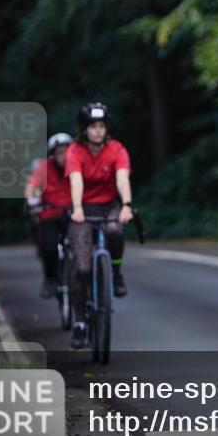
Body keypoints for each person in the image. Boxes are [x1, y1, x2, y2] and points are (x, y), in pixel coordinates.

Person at [65, 103, 134, 349]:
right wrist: (77, 207)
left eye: (101, 126)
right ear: (84, 130)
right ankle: (80, 322)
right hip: (82, 209)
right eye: (92, 127)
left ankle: (115, 273)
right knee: (82, 269)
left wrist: (126, 204)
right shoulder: (75, 151)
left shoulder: (117, 149)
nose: (97, 131)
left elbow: (122, 178)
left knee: (115, 231)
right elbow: (76, 180)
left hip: (108, 207)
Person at [24, 133, 73, 299]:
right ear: (53, 154)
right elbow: (32, 186)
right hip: (50, 214)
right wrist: (33, 203)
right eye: (59, 153)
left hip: (73, 214)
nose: (64, 157)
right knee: (49, 248)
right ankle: (49, 278)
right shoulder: (44, 167)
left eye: (66, 152)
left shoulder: (76, 165)